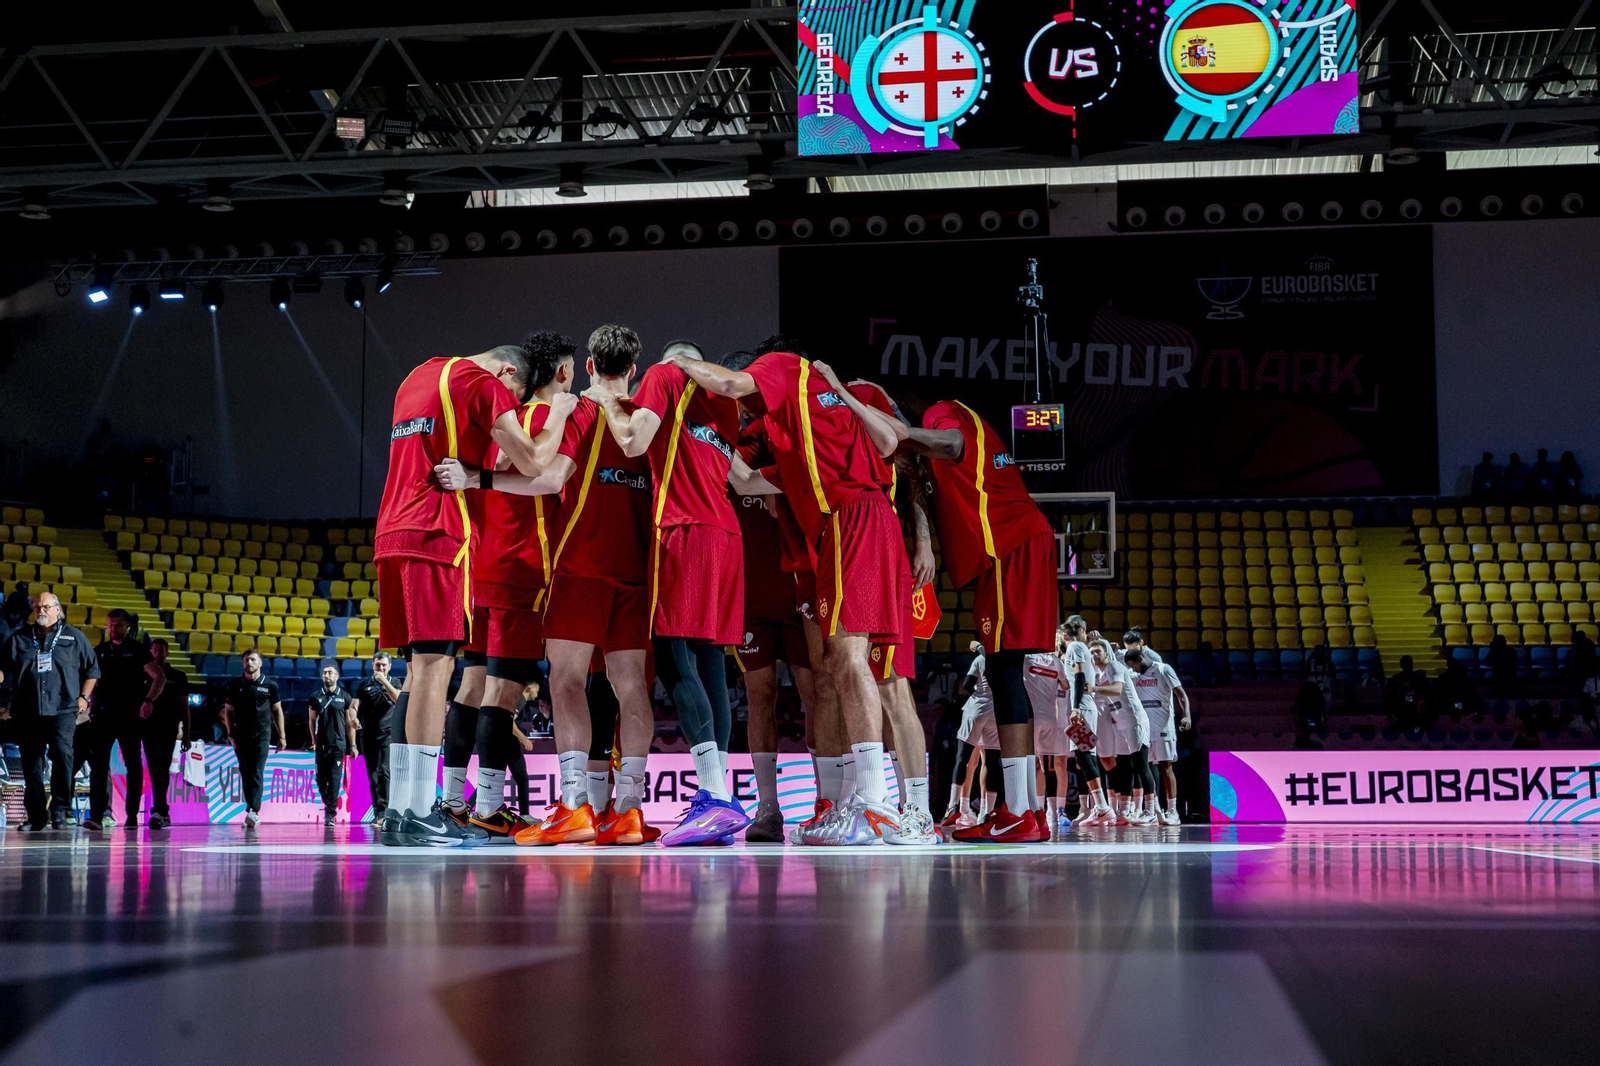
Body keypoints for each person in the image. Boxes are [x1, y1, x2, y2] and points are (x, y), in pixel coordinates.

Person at [660, 340, 913, 846]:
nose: (742, 410)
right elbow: (751, 482)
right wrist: (708, 436)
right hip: (863, 521)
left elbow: (729, 384)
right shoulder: (801, 426)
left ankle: (874, 804)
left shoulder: (781, 368)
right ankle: (861, 803)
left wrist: (677, 367)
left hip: (851, 521)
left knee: (847, 659)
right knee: (843, 661)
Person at [438, 325, 656, 846]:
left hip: (577, 564)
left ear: (585, 368)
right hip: (637, 568)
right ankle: (627, 811)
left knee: (565, 683)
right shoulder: (650, 416)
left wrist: (477, 479)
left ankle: (576, 804)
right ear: (633, 369)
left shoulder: (578, 410)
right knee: (631, 686)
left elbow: (547, 476)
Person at [374, 339, 574, 847]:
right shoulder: (480, 383)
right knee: (435, 671)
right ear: (507, 373)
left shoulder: (416, 374)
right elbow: (532, 463)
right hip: (437, 534)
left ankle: (400, 809)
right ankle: (421, 810)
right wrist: (559, 415)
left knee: (419, 672)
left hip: (391, 531)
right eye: (514, 396)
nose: (510, 408)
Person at [587, 338, 752, 846]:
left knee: (677, 661)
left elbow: (634, 443)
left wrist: (607, 397)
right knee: (710, 666)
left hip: (681, 533)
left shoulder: (663, 376)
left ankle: (714, 799)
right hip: (726, 538)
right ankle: (720, 799)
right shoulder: (722, 406)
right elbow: (745, 482)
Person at [888, 392, 1058, 844]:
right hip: (1018, 544)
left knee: (1002, 670)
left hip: (1009, 544)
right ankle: (1025, 812)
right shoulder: (954, 433)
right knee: (1005, 670)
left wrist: (903, 435)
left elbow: (950, 443)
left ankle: (1019, 811)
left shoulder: (939, 412)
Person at [435, 331, 577, 844]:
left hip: (476, 565)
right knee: (504, 692)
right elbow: (551, 478)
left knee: (470, 688)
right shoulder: (552, 421)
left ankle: (451, 805)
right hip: (522, 570)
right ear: (562, 373)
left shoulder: (494, 420)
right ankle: (490, 809)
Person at [0, 592, 99, 832]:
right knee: (32, 763)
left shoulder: (74, 637)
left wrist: (84, 697)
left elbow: (92, 670)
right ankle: (36, 816)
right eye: (36, 608)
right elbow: (3, 669)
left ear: (57, 609)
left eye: (45, 607)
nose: (40, 611)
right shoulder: (19, 639)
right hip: (28, 710)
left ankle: (60, 811)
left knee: (63, 757)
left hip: (63, 709)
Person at [92, 608, 168, 829]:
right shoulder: (101, 650)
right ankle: (97, 815)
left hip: (129, 716)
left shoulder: (138, 650)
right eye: (109, 624)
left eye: (117, 624)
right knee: (98, 765)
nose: (112, 628)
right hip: (104, 714)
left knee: (133, 765)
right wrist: (90, 703)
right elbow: (93, 680)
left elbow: (159, 677)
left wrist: (149, 701)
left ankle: (132, 814)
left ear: (126, 625)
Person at [1089, 638, 1156, 825]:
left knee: (1141, 764)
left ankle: (1149, 811)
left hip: (1134, 720)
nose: (1094, 655)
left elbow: (1118, 689)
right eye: (1091, 652)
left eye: (1097, 651)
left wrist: (1094, 689)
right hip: (1120, 724)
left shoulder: (1115, 667)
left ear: (1106, 652)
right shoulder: (1100, 675)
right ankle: (1125, 811)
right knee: (1125, 767)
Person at [1125, 647, 1189, 825]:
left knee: (1166, 768)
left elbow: (1180, 694)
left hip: (1163, 727)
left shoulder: (1163, 669)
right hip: (1144, 729)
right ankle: (1151, 810)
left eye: (1134, 665)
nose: (1134, 669)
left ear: (1140, 658)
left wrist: (1187, 715)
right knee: (1146, 769)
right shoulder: (1132, 676)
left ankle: (1172, 810)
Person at [220, 650, 284, 829]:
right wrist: (231, 733)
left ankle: (254, 811)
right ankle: (250, 808)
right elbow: (228, 711)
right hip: (241, 736)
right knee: (245, 772)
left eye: (253, 659)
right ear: (242, 663)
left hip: (262, 736)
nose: (249, 662)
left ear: (260, 663)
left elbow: (277, 711)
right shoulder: (234, 685)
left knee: (256, 771)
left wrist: (282, 736)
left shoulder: (270, 685)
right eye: (246, 659)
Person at [1058, 617, 1108, 826]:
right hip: (1086, 706)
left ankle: (1103, 808)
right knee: (1086, 758)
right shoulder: (1081, 649)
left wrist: (1076, 707)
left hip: (1084, 707)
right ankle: (1100, 807)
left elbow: (1079, 677)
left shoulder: (1075, 647)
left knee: (1084, 756)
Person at [142, 638, 188, 828]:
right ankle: (160, 809)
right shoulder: (144, 674)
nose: (157, 653)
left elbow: (185, 707)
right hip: (148, 728)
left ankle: (160, 810)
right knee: (154, 768)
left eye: (161, 650)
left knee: (162, 768)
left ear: (167, 652)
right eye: (153, 650)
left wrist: (187, 733)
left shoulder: (177, 675)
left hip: (168, 728)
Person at [350, 651, 398, 822]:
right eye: (378, 665)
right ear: (372, 665)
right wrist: (353, 717)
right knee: (373, 775)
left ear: (390, 666)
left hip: (388, 734)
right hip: (368, 735)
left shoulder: (395, 681)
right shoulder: (363, 685)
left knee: (385, 771)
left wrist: (384, 681)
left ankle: (385, 812)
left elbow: (398, 699)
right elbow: (354, 706)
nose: (381, 667)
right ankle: (378, 811)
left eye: (384, 665)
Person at [308, 663, 356, 826]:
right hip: (321, 745)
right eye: (324, 673)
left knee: (335, 780)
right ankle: (328, 802)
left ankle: (330, 814)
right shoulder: (315, 697)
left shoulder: (345, 696)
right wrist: (313, 739)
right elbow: (312, 720)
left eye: (330, 673)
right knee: (321, 779)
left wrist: (353, 745)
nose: (326, 675)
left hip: (338, 744)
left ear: (337, 676)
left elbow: (349, 723)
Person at [1385, 655, 1431, 732]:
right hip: (1401, 712)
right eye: (1406, 663)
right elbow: (1388, 698)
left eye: (1409, 663)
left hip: (1416, 713)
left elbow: (1427, 695)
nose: (1408, 665)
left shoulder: (1419, 679)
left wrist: (1423, 702)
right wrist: (1392, 714)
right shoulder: (1395, 680)